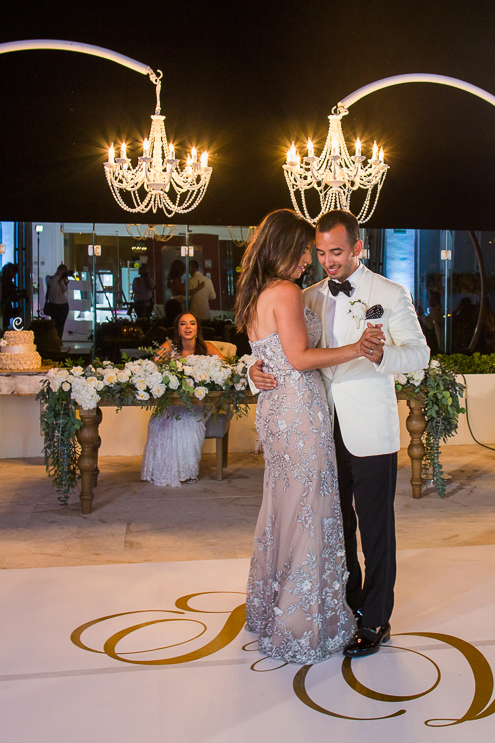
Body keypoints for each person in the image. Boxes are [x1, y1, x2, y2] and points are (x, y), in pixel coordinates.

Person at [250, 209, 430, 658]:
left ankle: (375, 620)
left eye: (336, 252)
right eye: (321, 252)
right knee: (336, 526)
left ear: (357, 249)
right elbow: (283, 349)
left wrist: (379, 356)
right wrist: (253, 373)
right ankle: (346, 604)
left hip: (369, 428)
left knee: (375, 528)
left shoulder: (389, 292)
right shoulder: (303, 294)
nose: (327, 261)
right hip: (316, 427)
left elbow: (419, 355)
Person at [236, 209, 386, 664]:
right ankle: (302, 621)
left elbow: (265, 354)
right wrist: (357, 349)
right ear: (286, 247)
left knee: (286, 506)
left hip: (276, 412)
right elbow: (299, 357)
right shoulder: (284, 291)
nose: (310, 261)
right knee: (309, 511)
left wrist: (252, 370)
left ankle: (273, 607)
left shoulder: (256, 292)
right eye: (306, 251)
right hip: (300, 411)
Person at [141, 312, 225, 487]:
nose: (188, 327)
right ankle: (163, 471)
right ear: (178, 329)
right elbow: (154, 366)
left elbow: (225, 368)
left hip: (201, 402)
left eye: (192, 323)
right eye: (183, 324)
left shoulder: (207, 347)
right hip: (174, 401)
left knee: (188, 421)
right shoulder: (170, 347)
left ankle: (187, 471)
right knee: (160, 421)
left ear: (197, 328)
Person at [45, 264, 70, 341]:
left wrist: (62, 280)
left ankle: (59, 341)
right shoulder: (49, 277)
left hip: (63, 305)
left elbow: (65, 290)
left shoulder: (62, 280)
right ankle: (55, 341)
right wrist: (58, 276)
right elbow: (51, 283)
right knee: (54, 325)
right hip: (53, 305)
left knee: (61, 325)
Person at [1, 263, 29, 331]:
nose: (14, 276)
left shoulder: (5, 281)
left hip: (4, 308)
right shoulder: (6, 283)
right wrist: (23, 295)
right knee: (4, 328)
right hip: (4, 309)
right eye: (13, 273)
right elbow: (13, 297)